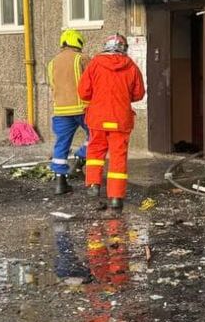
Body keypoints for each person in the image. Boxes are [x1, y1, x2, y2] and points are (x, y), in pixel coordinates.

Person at [78, 34, 145, 211]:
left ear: (105, 46)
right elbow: (139, 94)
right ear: (124, 48)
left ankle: (93, 184)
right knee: (118, 157)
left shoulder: (94, 64)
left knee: (95, 151)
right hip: (121, 118)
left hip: (98, 117)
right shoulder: (131, 66)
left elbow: (83, 92)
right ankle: (116, 198)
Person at [47, 29, 89, 195]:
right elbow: (93, 80)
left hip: (61, 111)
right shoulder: (82, 58)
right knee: (97, 136)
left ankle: (60, 183)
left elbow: (53, 85)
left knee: (62, 144)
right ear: (78, 42)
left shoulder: (52, 63)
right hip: (83, 108)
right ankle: (80, 160)